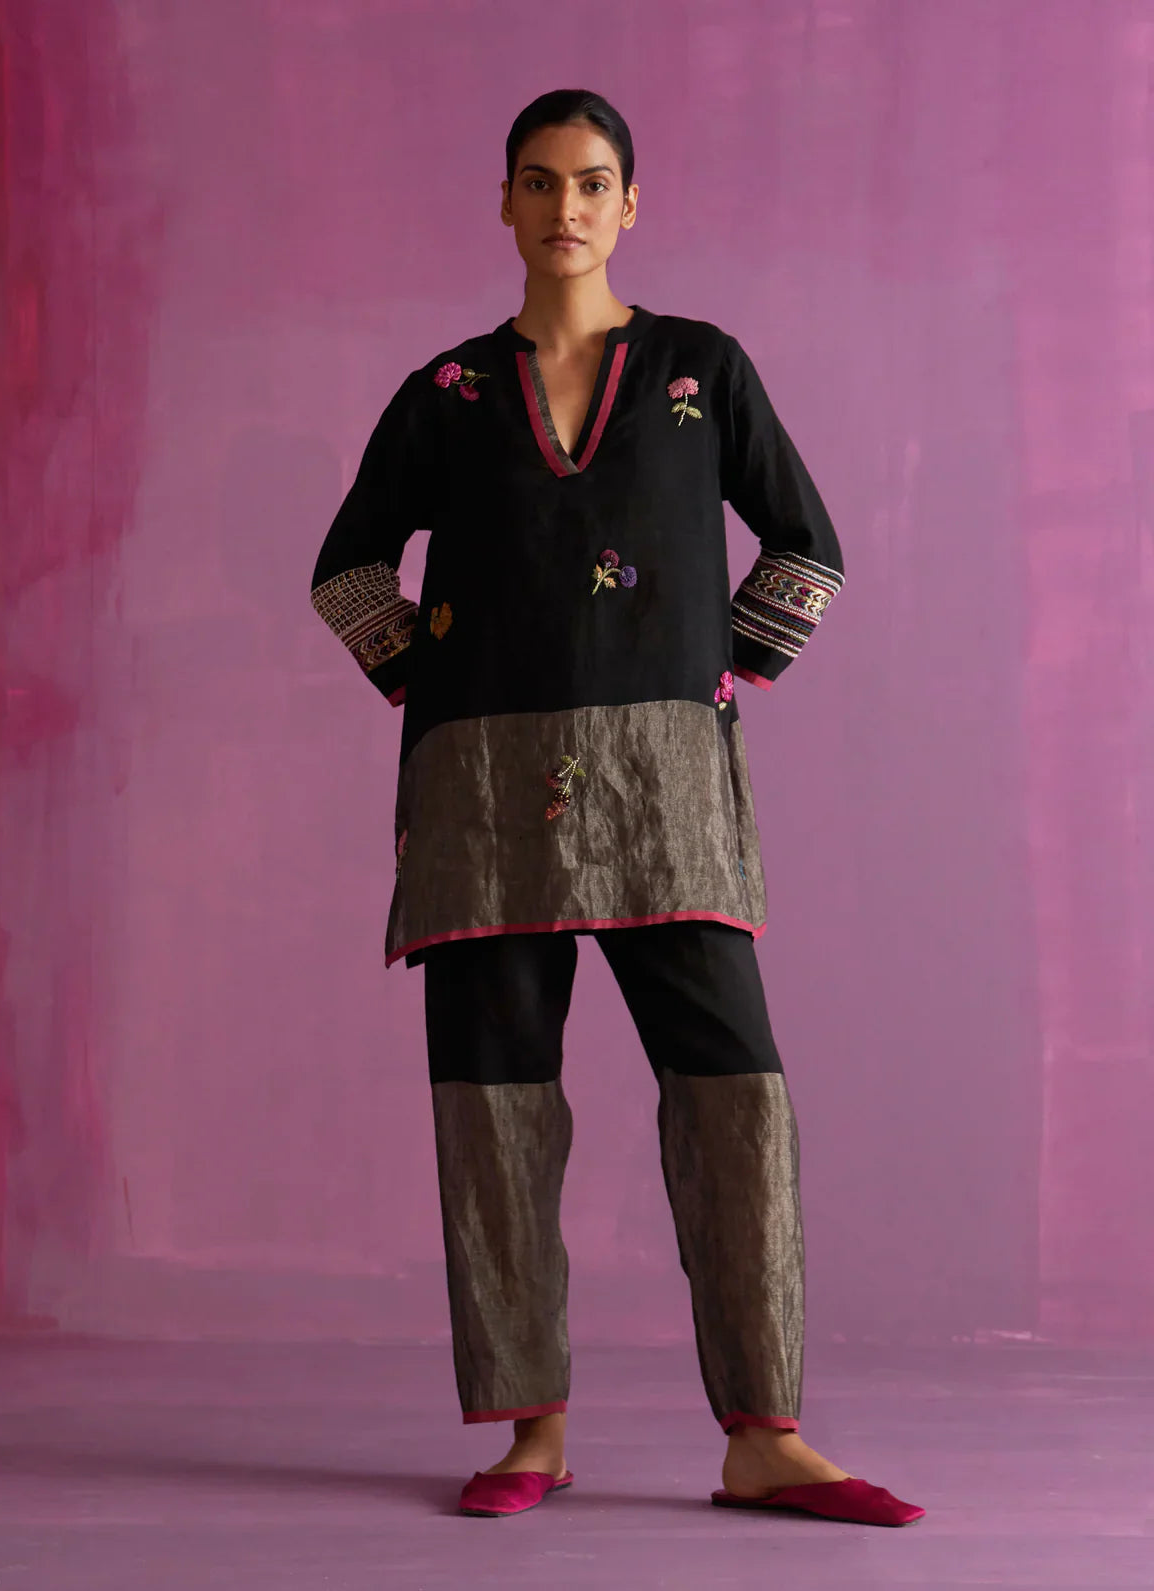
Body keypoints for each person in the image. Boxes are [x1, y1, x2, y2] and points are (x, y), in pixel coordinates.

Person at [310, 89, 924, 1529]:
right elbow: (348, 571)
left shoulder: (704, 368)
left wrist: (717, 676)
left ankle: (765, 1437)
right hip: (481, 797)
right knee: (497, 1100)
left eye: (592, 182)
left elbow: (808, 547)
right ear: (505, 203)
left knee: (732, 1091)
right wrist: (435, 686)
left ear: (629, 204)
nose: (566, 207)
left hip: (669, 792)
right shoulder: (447, 392)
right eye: (539, 182)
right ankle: (533, 1433)